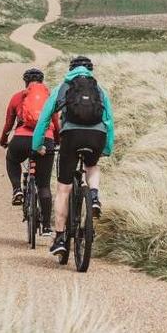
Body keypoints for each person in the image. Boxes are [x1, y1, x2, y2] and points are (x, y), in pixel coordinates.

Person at [31, 55, 114, 257]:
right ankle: (93, 196)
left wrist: (37, 145)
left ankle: (59, 237)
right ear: (90, 70)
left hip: (71, 136)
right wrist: (107, 148)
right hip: (97, 136)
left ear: (71, 69)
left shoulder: (63, 87)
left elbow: (44, 118)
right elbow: (109, 121)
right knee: (92, 166)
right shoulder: (99, 90)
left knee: (63, 188)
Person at [1, 67, 60, 234]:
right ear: (42, 82)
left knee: (12, 159)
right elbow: (56, 124)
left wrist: (3, 140)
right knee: (44, 186)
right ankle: (47, 226)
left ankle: (17, 189)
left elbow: (8, 124)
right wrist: (57, 141)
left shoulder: (17, 97)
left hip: (21, 139)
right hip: (44, 140)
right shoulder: (48, 98)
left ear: (26, 82)